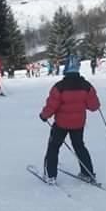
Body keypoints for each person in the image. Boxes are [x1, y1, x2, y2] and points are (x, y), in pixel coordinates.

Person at [39, 57, 100, 185]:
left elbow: (52, 105)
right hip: (78, 124)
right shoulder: (86, 86)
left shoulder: (59, 87)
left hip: (61, 124)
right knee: (79, 146)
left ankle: (50, 175)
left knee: (53, 147)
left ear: (66, 69)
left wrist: (44, 115)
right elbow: (94, 107)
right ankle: (87, 173)